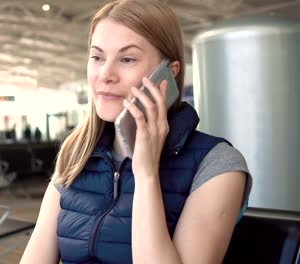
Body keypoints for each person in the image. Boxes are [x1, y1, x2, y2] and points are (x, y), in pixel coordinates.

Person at [21, 0, 251, 263]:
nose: (105, 75)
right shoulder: (77, 155)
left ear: (168, 74)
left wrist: (146, 175)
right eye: (97, 57)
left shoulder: (217, 165)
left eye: (127, 59)